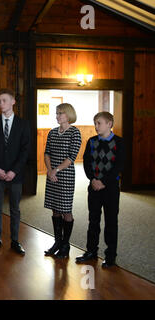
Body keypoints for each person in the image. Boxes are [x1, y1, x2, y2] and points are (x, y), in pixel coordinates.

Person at [76, 112, 124, 268]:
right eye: (95, 123)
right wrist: (93, 180)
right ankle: (91, 251)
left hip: (110, 189)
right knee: (93, 220)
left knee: (111, 221)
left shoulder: (119, 142)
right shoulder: (91, 141)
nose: (96, 126)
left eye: (99, 123)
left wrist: (103, 181)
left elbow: (118, 166)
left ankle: (111, 255)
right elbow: (86, 162)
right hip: (94, 188)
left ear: (109, 124)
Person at [0, 89, 30, 255]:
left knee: (14, 209)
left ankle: (15, 241)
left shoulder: (23, 124)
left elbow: (25, 151)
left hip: (15, 175)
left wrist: (13, 171)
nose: (0, 103)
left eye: (4, 100)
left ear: (13, 102)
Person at [43, 103, 82, 258]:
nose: (57, 116)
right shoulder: (52, 133)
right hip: (52, 175)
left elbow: (71, 157)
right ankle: (57, 242)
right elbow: (47, 153)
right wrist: (49, 170)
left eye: (60, 113)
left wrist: (56, 170)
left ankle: (65, 245)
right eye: (56, 113)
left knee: (66, 210)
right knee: (55, 209)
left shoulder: (75, 133)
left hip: (65, 175)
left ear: (68, 115)